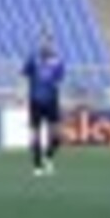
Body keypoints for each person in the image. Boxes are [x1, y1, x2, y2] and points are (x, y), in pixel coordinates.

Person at [21, 32, 66, 177]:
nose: (46, 44)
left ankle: (48, 157)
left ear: (52, 44)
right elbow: (24, 76)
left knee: (57, 135)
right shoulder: (33, 59)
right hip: (35, 101)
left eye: (48, 42)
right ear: (40, 43)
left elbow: (59, 81)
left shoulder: (58, 61)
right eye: (43, 42)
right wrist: (21, 95)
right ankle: (37, 165)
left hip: (52, 101)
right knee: (35, 134)